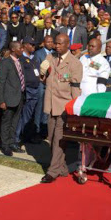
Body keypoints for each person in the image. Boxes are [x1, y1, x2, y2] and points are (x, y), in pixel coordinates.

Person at [40, 33, 83, 183]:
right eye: (55, 43)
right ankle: (62, 167)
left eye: (59, 44)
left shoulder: (74, 63)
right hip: (51, 104)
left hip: (65, 106)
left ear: (67, 44)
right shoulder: (50, 58)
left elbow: (76, 88)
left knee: (59, 139)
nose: (56, 46)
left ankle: (52, 172)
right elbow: (44, 79)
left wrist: (75, 109)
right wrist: (42, 72)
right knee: (51, 138)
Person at [0, 41, 26, 156]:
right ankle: (5, 145)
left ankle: (11, 142)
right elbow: (1, 82)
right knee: (6, 122)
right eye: (20, 48)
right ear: (14, 49)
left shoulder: (19, 62)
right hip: (8, 98)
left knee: (15, 122)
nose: (22, 50)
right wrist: (1, 100)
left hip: (19, 97)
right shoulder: (6, 63)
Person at [16, 36, 41, 145]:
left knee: (30, 115)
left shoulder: (34, 58)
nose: (34, 46)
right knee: (23, 115)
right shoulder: (21, 58)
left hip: (35, 89)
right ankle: (17, 138)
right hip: (27, 90)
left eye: (34, 44)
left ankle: (26, 136)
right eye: (31, 44)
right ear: (25, 45)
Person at [33, 35, 54, 142]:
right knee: (39, 108)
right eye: (48, 42)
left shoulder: (54, 53)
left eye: (52, 42)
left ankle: (44, 131)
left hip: (51, 85)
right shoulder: (38, 53)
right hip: (41, 84)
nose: (50, 43)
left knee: (47, 109)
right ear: (44, 43)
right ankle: (36, 131)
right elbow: (36, 68)